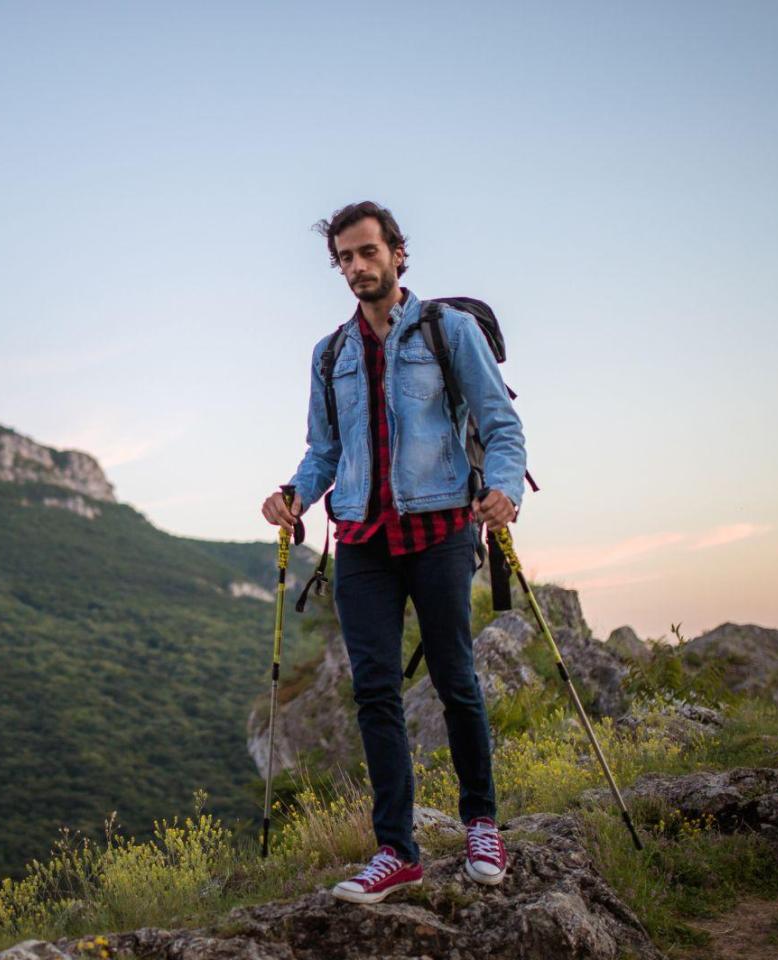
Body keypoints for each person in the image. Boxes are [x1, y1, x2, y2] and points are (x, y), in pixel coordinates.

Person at [261, 201, 527, 903]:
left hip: (439, 530)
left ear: (398, 253)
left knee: (455, 680)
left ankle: (481, 825)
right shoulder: (331, 355)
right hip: (361, 543)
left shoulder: (449, 331)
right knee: (374, 691)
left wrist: (503, 491)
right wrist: (293, 493)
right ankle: (396, 851)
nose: (356, 268)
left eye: (367, 253)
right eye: (344, 258)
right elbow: (325, 451)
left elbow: (502, 424)